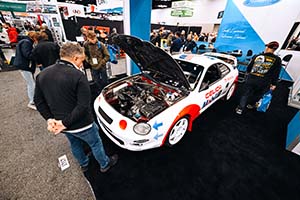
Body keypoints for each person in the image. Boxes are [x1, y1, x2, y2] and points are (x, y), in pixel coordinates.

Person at [34, 42, 118, 173]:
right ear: (75, 58)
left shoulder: (42, 75)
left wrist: (50, 119)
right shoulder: (78, 76)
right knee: (95, 143)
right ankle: (104, 164)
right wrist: (64, 123)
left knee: (74, 143)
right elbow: (83, 106)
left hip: (61, 123)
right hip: (82, 124)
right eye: (82, 60)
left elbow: (38, 102)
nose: (82, 64)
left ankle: (84, 164)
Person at [235, 41, 282, 115]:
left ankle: (240, 109)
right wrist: (274, 84)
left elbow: (249, 68)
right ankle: (250, 105)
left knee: (246, 94)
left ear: (268, 47)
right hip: (264, 82)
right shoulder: (277, 60)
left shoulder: (258, 56)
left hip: (252, 79)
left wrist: (248, 74)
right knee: (258, 94)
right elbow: (276, 73)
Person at [13, 31, 38, 110]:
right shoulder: (27, 43)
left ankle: (33, 100)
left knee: (31, 83)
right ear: (33, 37)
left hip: (23, 65)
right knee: (31, 84)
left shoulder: (24, 41)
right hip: (25, 65)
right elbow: (27, 54)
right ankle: (32, 101)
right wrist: (36, 54)